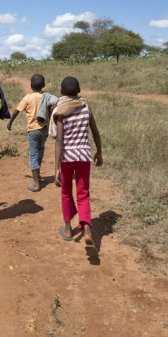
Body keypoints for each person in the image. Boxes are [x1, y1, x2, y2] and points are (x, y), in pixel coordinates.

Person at [51, 76, 103, 255]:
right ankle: (87, 230)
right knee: (83, 193)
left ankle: (67, 229)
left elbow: (59, 140)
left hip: (66, 157)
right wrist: (99, 152)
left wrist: (56, 167)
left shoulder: (60, 111)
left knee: (66, 192)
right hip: (83, 156)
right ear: (79, 90)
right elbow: (95, 132)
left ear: (62, 92)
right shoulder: (86, 108)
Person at [6, 73, 56, 192]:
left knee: (33, 154)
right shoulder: (46, 97)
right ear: (43, 85)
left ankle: (36, 184)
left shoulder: (27, 98)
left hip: (33, 130)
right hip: (44, 129)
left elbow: (16, 111)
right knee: (40, 150)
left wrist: (10, 123)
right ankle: (37, 174)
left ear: (30, 85)